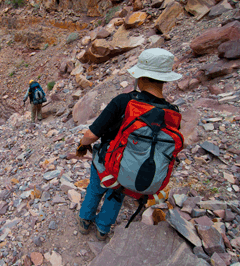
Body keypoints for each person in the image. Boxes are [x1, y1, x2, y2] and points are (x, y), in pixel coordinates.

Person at [76, 48, 182, 240]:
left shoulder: (124, 101)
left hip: (107, 162)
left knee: (95, 188)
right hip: (132, 169)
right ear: (165, 80)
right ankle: (103, 229)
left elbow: (91, 135)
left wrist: (82, 145)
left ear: (141, 78)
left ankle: (85, 221)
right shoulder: (171, 114)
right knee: (116, 195)